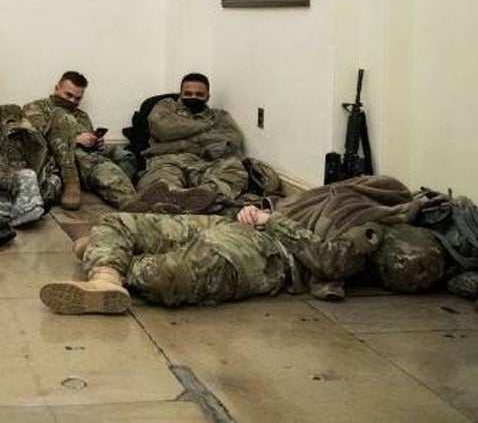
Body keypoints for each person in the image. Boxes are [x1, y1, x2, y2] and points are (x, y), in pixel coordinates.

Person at [39, 204, 386, 315]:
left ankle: (107, 256)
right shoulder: (346, 192)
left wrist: (273, 221)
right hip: (234, 223)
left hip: (263, 255)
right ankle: (105, 276)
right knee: (118, 221)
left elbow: (331, 262)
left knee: (171, 276)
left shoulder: (374, 226)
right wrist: (257, 210)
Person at [23, 71, 139, 211]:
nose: (72, 101)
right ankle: (131, 201)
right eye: (68, 95)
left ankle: (135, 197)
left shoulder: (82, 116)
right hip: (58, 159)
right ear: (56, 88)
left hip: (86, 158)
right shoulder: (36, 108)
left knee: (124, 156)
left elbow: (90, 144)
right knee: (100, 166)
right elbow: (35, 139)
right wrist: (75, 139)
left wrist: (96, 142)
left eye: (77, 98)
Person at [133, 72, 247, 211]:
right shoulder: (166, 106)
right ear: (180, 94)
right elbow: (163, 130)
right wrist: (205, 129)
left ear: (207, 97)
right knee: (160, 185)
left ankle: (202, 196)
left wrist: (182, 139)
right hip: (167, 160)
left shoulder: (218, 116)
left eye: (199, 95)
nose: (193, 97)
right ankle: (185, 201)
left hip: (204, 163)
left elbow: (232, 141)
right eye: (188, 93)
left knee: (235, 169)